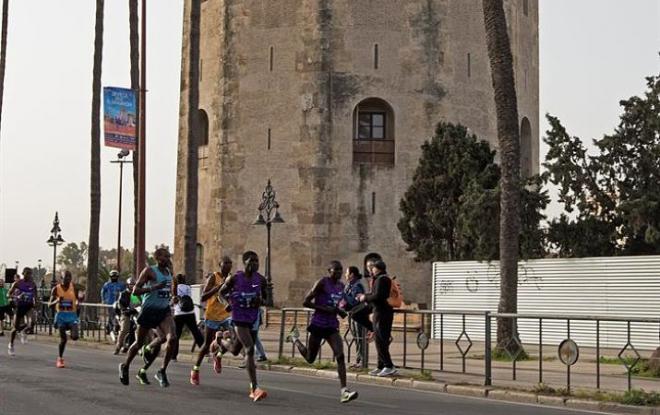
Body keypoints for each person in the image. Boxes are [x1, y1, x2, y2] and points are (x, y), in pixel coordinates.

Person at [286, 261, 358, 404]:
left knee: (340, 355)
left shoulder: (341, 286)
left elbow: (335, 304)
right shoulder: (322, 283)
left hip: (331, 325)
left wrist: (339, 311)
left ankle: (344, 391)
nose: (338, 272)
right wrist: (325, 309)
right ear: (329, 270)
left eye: (340, 270)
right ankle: (294, 338)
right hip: (318, 324)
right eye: (335, 270)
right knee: (310, 358)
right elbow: (306, 302)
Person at [213, 251, 268, 402]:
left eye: (257, 261)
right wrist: (228, 304)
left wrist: (261, 301)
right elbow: (221, 293)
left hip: (252, 319)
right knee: (250, 349)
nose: (255, 264)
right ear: (244, 263)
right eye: (252, 261)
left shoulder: (260, 280)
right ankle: (254, 388)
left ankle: (220, 340)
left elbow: (265, 299)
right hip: (238, 318)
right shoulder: (235, 278)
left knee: (235, 350)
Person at [118, 247, 176, 387]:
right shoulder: (150, 271)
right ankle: (125, 366)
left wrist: (174, 297)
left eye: (169, 256)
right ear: (158, 258)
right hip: (148, 311)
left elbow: (169, 290)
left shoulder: (169, 272)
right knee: (138, 343)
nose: (168, 259)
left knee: (172, 338)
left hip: (164, 311)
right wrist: (153, 287)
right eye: (165, 257)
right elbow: (135, 290)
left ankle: (162, 371)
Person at [190, 256, 233, 385]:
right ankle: (195, 370)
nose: (228, 265)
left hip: (226, 314)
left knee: (231, 338)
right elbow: (203, 297)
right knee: (206, 345)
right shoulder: (214, 277)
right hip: (212, 315)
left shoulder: (231, 278)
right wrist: (217, 288)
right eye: (226, 263)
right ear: (220, 264)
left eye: (230, 263)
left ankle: (218, 355)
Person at [357, 259, 397, 376]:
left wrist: (365, 298)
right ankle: (381, 366)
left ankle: (389, 366)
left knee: (381, 341)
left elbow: (379, 295)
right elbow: (375, 294)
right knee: (379, 340)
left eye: (373, 268)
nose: (371, 270)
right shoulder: (379, 279)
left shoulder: (383, 279)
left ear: (377, 268)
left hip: (382, 313)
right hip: (379, 312)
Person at [49, 270, 79, 368]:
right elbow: (49, 305)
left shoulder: (74, 287)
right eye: (66, 277)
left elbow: (77, 300)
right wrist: (57, 300)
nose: (68, 279)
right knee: (63, 340)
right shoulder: (56, 289)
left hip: (72, 315)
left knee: (75, 337)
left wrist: (78, 304)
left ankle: (70, 330)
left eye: (70, 277)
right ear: (61, 278)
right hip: (61, 316)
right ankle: (60, 359)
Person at [172, 273, 204, 361]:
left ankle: (174, 356)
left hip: (179, 313)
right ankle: (204, 349)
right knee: (195, 331)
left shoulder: (175, 288)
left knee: (176, 335)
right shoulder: (188, 287)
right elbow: (189, 297)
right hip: (190, 312)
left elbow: (173, 300)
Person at [343, 266, 369, 368]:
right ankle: (359, 360)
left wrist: (344, 298)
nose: (345, 274)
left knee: (360, 338)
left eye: (347, 272)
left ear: (352, 274)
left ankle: (362, 360)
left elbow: (355, 301)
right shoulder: (349, 285)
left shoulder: (357, 286)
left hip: (358, 314)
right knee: (356, 338)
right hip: (352, 314)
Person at [8, 267, 38, 355]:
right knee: (15, 328)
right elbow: (8, 294)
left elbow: (35, 296)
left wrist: (36, 302)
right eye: (27, 273)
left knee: (32, 322)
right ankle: (11, 344)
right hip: (19, 306)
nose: (29, 275)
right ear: (23, 273)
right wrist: (16, 297)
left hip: (29, 306)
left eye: (30, 273)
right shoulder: (17, 283)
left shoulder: (33, 284)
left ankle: (24, 331)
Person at [114, 277, 140, 355]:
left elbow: (138, 304)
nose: (132, 286)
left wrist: (137, 309)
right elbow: (122, 306)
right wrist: (126, 310)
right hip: (126, 314)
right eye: (131, 285)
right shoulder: (123, 294)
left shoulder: (136, 294)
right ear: (127, 285)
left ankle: (140, 347)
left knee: (141, 328)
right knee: (124, 329)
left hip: (135, 313)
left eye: (133, 285)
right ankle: (118, 347)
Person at [102, 270, 126, 339]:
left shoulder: (121, 284)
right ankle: (111, 329)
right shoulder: (107, 284)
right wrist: (103, 300)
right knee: (112, 316)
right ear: (110, 277)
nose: (114, 277)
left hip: (118, 303)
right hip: (110, 303)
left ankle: (109, 328)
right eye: (113, 276)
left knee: (117, 316)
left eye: (115, 276)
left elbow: (124, 292)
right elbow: (103, 292)